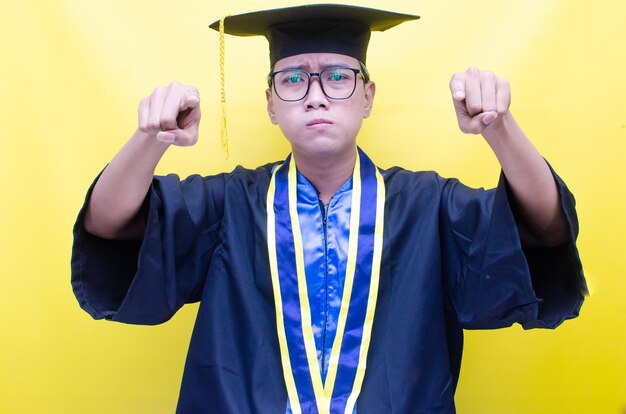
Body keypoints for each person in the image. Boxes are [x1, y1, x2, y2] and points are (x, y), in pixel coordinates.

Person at [71, 4, 586, 413]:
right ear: (271, 103)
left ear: (367, 95)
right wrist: (149, 140)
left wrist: (500, 127)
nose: (316, 95)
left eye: (338, 76)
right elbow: (110, 225)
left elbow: (541, 229)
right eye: (293, 79)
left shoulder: (426, 207)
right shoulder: (229, 205)